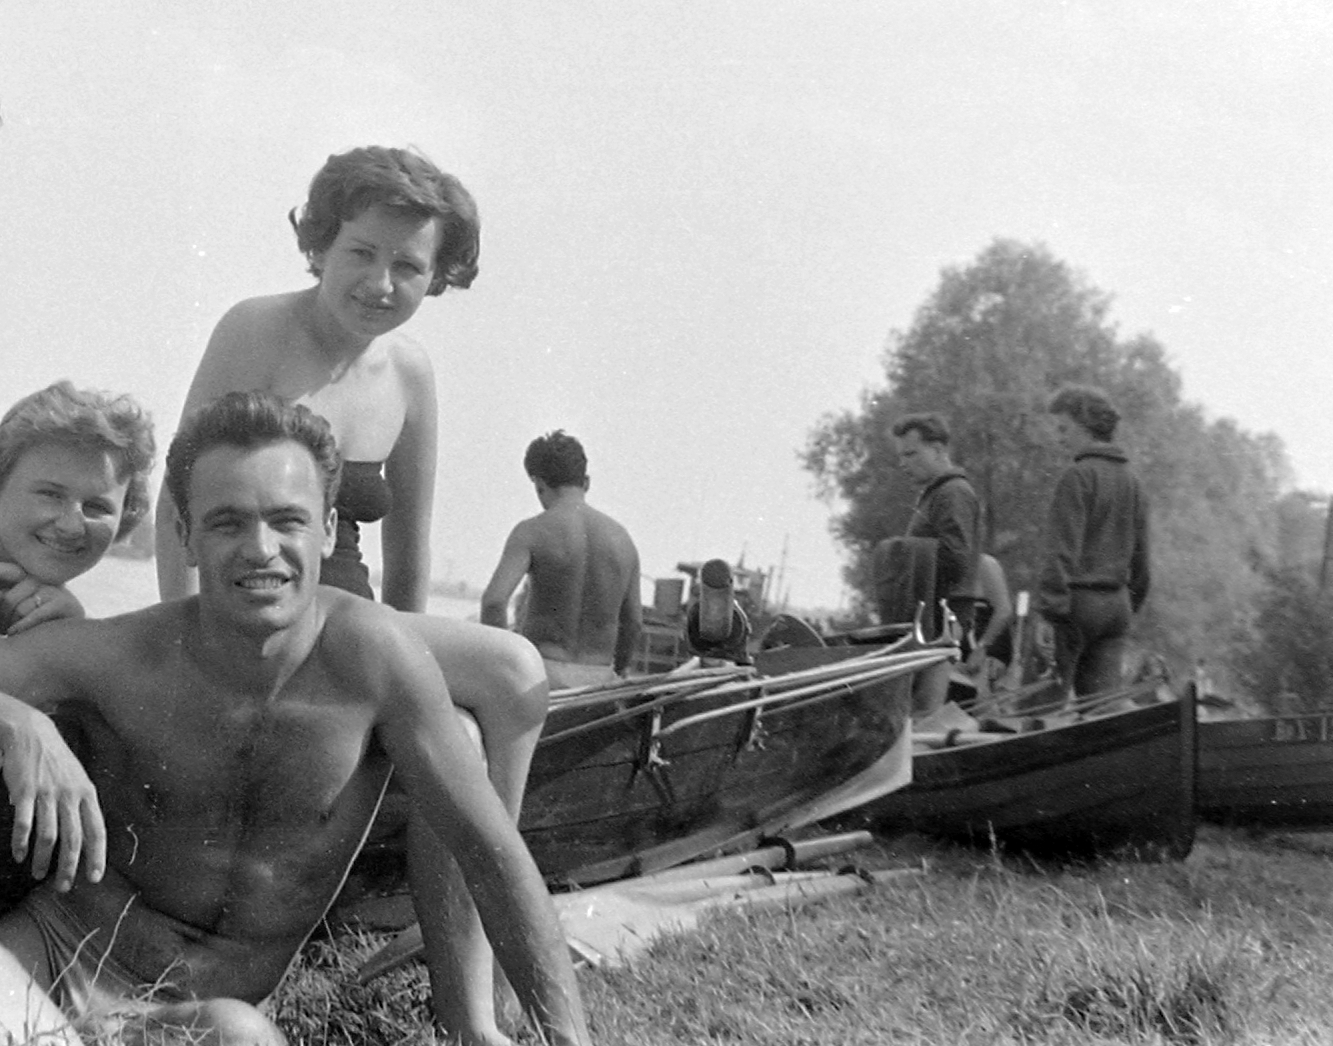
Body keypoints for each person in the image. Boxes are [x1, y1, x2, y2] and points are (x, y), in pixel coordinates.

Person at [0, 392, 591, 1046]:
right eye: (227, 522)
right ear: (185, 535)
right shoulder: (116, 655)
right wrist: (15, 720)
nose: (260, 550)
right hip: (40, 964)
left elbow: (493, 856)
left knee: (240, 1036)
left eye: (287, 520)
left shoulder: (375, 660)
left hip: (201, 1019)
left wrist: (567, 1039)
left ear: (329, 530)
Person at [152, 145, 546, 841]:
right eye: (362, 253)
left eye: (408, 266)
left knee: (461, 728)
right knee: (514, 667)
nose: (380, 283)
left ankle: (474, 911)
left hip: (346, 624)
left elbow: (409, 547)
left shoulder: (410, 373)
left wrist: (408, 682)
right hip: (257, 608)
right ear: (322, 244)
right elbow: (176, 498)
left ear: (437, 277)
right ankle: (502, 884)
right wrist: (183, 642)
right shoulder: (256, 330)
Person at [481, 431, 642, 688]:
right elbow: (633, 622)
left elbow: (494, 602)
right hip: (598, 680)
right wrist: (619, 670)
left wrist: (505, 664)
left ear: (539, 484)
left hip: (540, 676)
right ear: (586, 482)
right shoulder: (622, 540)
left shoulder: (532, 531)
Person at [0, 381, 155, 635]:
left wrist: (70, 634)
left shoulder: (59, 614)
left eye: (97, 506)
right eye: (50, 494)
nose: (70, 526)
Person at [1036, 384, 1150, 697]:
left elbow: (1061, 551)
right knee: (1101, 711)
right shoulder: (1132, 480)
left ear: (1084, 425)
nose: (1059, 438)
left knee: (1041, 706)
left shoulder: (1078, 476)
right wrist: (1128, 604)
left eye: (1064, 429)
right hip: (1116, 606)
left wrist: (1049, 613)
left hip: (1076, 605)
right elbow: (1142, 560)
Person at [891, 412, 982, 713]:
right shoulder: (939, 493)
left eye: (911, 454)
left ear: (939, 450)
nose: (903, 463)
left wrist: (903, 556)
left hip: (941, 615)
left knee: (925, 706)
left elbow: (956, 557)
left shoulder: (953, 493)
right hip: (932, 613)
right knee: (918, 705)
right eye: (901, 455)